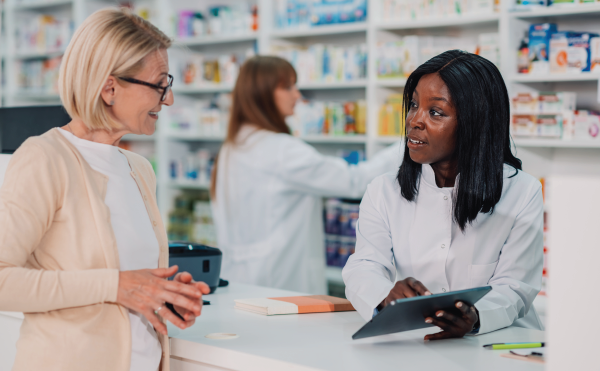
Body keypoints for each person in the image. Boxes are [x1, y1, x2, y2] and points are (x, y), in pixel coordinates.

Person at [0, 9, 209, 371]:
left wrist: (164, 295)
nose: (169, 99)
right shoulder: (44, 159)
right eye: (160, 85)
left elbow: (122, 280)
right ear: (110, 88)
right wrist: (116, 287)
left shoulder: (139, 169)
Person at [343, 50, 544, 339]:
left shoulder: (521, 191)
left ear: (476, 123)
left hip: (501, 345)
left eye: (435, 112)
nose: (415, 120)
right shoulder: (383, 191)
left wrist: (475, 317)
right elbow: (365, 265)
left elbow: (515, 286)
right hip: (420, 345)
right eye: (413, 105)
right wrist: (385, 296)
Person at [210, 56, 402, 294]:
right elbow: (355, 181)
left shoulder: (232, 147)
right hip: (275, 285)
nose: (297, 96)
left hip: (236, 280)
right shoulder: (279, 150)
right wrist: (407, 144)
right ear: (262, 93)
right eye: (288, 86)